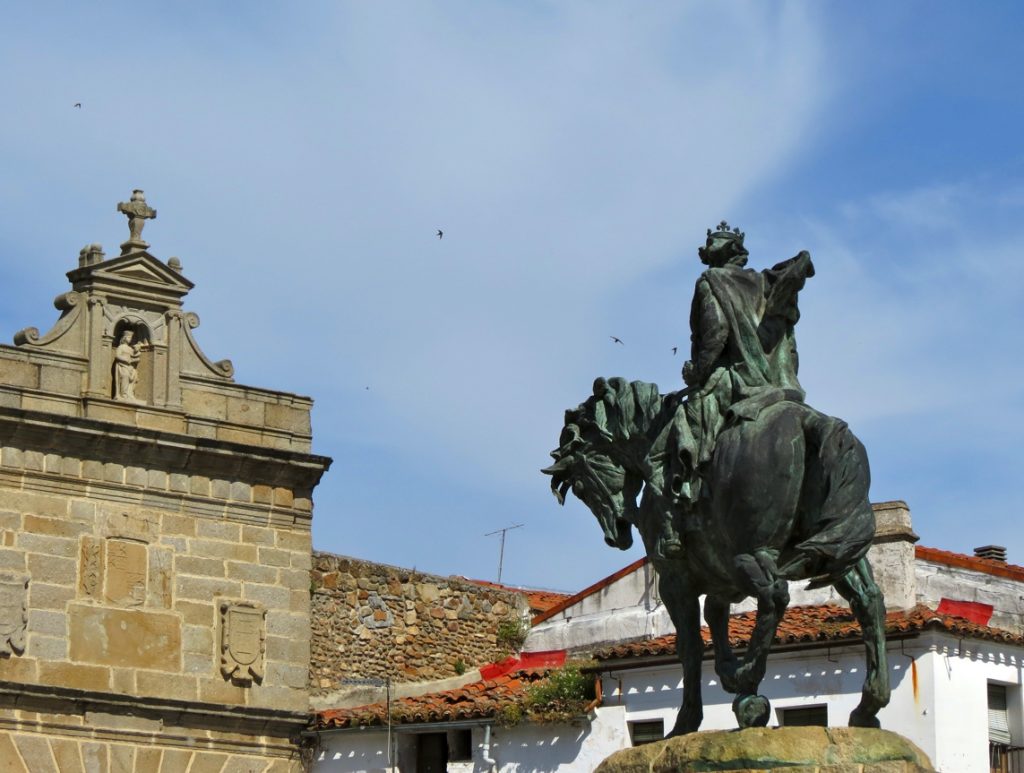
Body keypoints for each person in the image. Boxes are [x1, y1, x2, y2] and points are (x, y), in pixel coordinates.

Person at [113, 330, 142, 402]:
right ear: (125, 338)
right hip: (123, 366)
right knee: (125, 377)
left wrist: (137, 353)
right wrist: (126, 360)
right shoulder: (121, 347)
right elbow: (117, 356)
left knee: (133, 379)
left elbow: (134, 355)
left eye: (131, 338)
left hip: (131, 368)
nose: (130, 339)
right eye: (129, 337)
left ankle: (130, 394)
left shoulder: (130, 349)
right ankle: (123, 394)